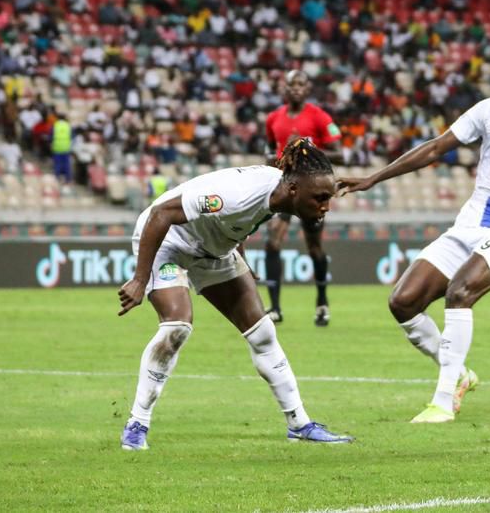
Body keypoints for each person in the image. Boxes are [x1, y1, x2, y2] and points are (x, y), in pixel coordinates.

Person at [339, 43, 490, 424]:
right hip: (469, 222)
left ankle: (443, 400)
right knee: (403, 301)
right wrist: (373, 178)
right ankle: (461, 373)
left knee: (460, 293)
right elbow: (436, 148)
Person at [117, 139, 353, 450]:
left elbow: (239, 224)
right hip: (169, 242)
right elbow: (162, 213)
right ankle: (136, 425)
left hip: (215, 249)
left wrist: (241, 257)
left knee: (263, 333)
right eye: (320, 198)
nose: (325, 206)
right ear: (294, 189)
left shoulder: (278, 194)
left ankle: (299, 424)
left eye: (328, 198)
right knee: (177, 326)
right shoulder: (233, 196)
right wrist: (139, 278)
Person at [262, 70, 343, 326]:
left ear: (307, 89)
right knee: (273, 241)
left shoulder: (319, 117)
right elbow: (268, 150)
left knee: (314, 248)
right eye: (291, 84)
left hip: (311, 191)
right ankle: (274, 308)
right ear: (284, 89)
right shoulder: (273, 118)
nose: (296, 88)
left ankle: (321, 302)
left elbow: (340, 153)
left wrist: (305, 148)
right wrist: (272, 161)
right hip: (285, 188)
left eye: (301, 84)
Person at [51, 110, 72, 184]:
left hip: (57, 147)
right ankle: (68, 179)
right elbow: (71, 136)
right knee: (66, 164)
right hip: (66, 147)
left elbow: (51, 135)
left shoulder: (55, 125)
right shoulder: (68, 125)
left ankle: (57, 179)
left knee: (57, 164)